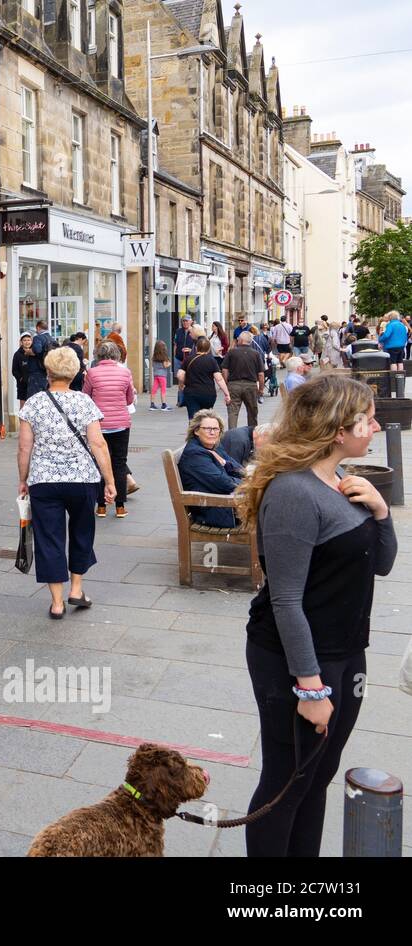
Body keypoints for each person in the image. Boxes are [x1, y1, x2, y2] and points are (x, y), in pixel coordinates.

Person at [238, 374, 397, 856]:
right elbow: (285, 599)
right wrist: (309, 686)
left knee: (317, 777)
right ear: (336, 430)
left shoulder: (343, 482)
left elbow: (382, 564)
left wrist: (381, 512)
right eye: (364, 419)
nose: (374, 424)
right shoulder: (293, 493)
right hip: (298, 659)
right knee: (287, 782)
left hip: (346, 651)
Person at [17, 346, 114, 620]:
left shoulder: (34, 403)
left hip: (44, 480)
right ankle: (77, 588)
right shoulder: (84, 402)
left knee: (49, 537)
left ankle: (57, 602)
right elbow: (98, 443)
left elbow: (25, 448)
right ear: (75, 373)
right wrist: (109, 480)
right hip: (82, 479)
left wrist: (23, 479)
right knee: (82, 531)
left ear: (48, 372)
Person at [83, 341, 135, 519]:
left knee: (99, 463)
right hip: (121, 423)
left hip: (99, 425)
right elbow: (129, 399)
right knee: (119, 463)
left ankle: (101, 506)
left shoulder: (92, 372)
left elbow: (86, 396)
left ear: (98, 355)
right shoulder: (125, 372)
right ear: (116, 355)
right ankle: (120, 506)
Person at [177, 410, 245, 528]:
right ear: (197, 431)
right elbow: (224, 483)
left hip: (225, 503)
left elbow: (238, 468)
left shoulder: (214, 446)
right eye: (208, 429)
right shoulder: (195, 454)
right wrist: (249, 482)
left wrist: (225, 463)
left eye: (216, 429)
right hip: (213, 510)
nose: (212, 432)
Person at [177, 336, 230, 419]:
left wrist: (181, 385)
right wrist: (227, 394)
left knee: (194, 418)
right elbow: (219, 379)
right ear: (208, 349)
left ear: (196, 347)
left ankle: (194, 430)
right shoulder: (212, 361)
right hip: (208, 393)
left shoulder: (188, 359)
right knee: (206, 417)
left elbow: (180, 375)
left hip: (192, 393)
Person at [223, 331, 265, 429]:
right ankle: (252, 434)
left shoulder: (232, 352)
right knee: (252, 412)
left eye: (238, 339)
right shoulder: (256, 354)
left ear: (241, 340)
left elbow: (224, 370)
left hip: (234, 384)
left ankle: (232, 435)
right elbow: (261, 374)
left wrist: (226, 384)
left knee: (233, 412)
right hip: (250, 385)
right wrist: (261, 389)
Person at [27, 320, 55, 397]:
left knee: (34, 396)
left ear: (38, 328)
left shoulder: (38, 338)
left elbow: (37, 350)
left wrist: (29, 351)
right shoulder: (51, 338)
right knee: (45, 394)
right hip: (47, 369)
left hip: (36, 370)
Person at [12, 332, 35, 408]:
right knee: (23, 406)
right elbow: (14, 370)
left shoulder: (35, 353)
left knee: (33, 405)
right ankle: (22, 420)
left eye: (28, 340)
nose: (27, 342)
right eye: (24, 340)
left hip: (34, 384)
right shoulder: (17, 354)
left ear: (31, 341)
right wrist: (21, 379)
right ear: (21, 342)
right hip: (23, 385)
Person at [149, 340, 172, 411]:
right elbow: (165, 365)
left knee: (154, 389)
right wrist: (170, 363)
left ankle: (152, 404)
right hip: (162, 376)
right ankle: (164, 405)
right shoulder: (164, 357)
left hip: (156, 374)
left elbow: (153, 365)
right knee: (163, 390)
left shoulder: (154, 357)